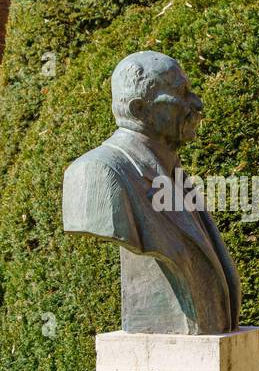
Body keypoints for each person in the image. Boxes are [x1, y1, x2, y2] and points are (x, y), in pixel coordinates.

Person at [62, 51, 241, 335]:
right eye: (181, 94)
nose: (197, 103)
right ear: (139, 110)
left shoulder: (172, 170)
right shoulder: (96, 172)